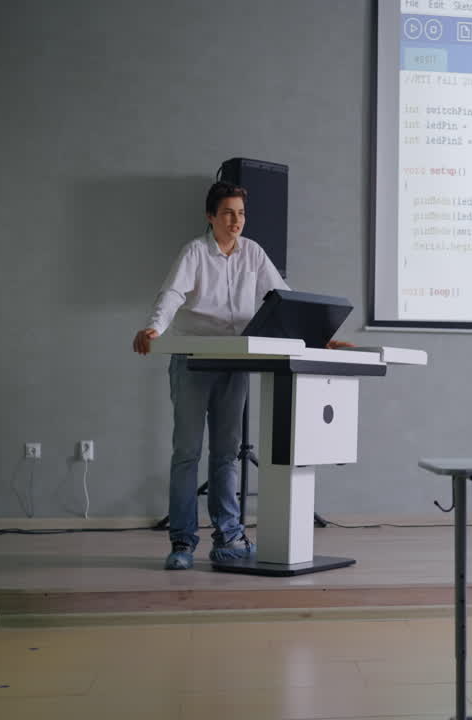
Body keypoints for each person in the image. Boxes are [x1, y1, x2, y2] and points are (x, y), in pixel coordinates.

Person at [134, 181, 289, 570]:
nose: (236, 221)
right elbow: (172, 294)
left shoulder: (253, 253)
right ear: (210, 216)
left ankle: (229, 539)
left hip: (234, 361)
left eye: (241, 214)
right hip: (193, 360)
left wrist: (320, 337)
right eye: (228, 213)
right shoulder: (195, 252)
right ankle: (182, 542)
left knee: (225, 454)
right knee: (187, 453)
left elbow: (282, 299)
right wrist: (154, 328)